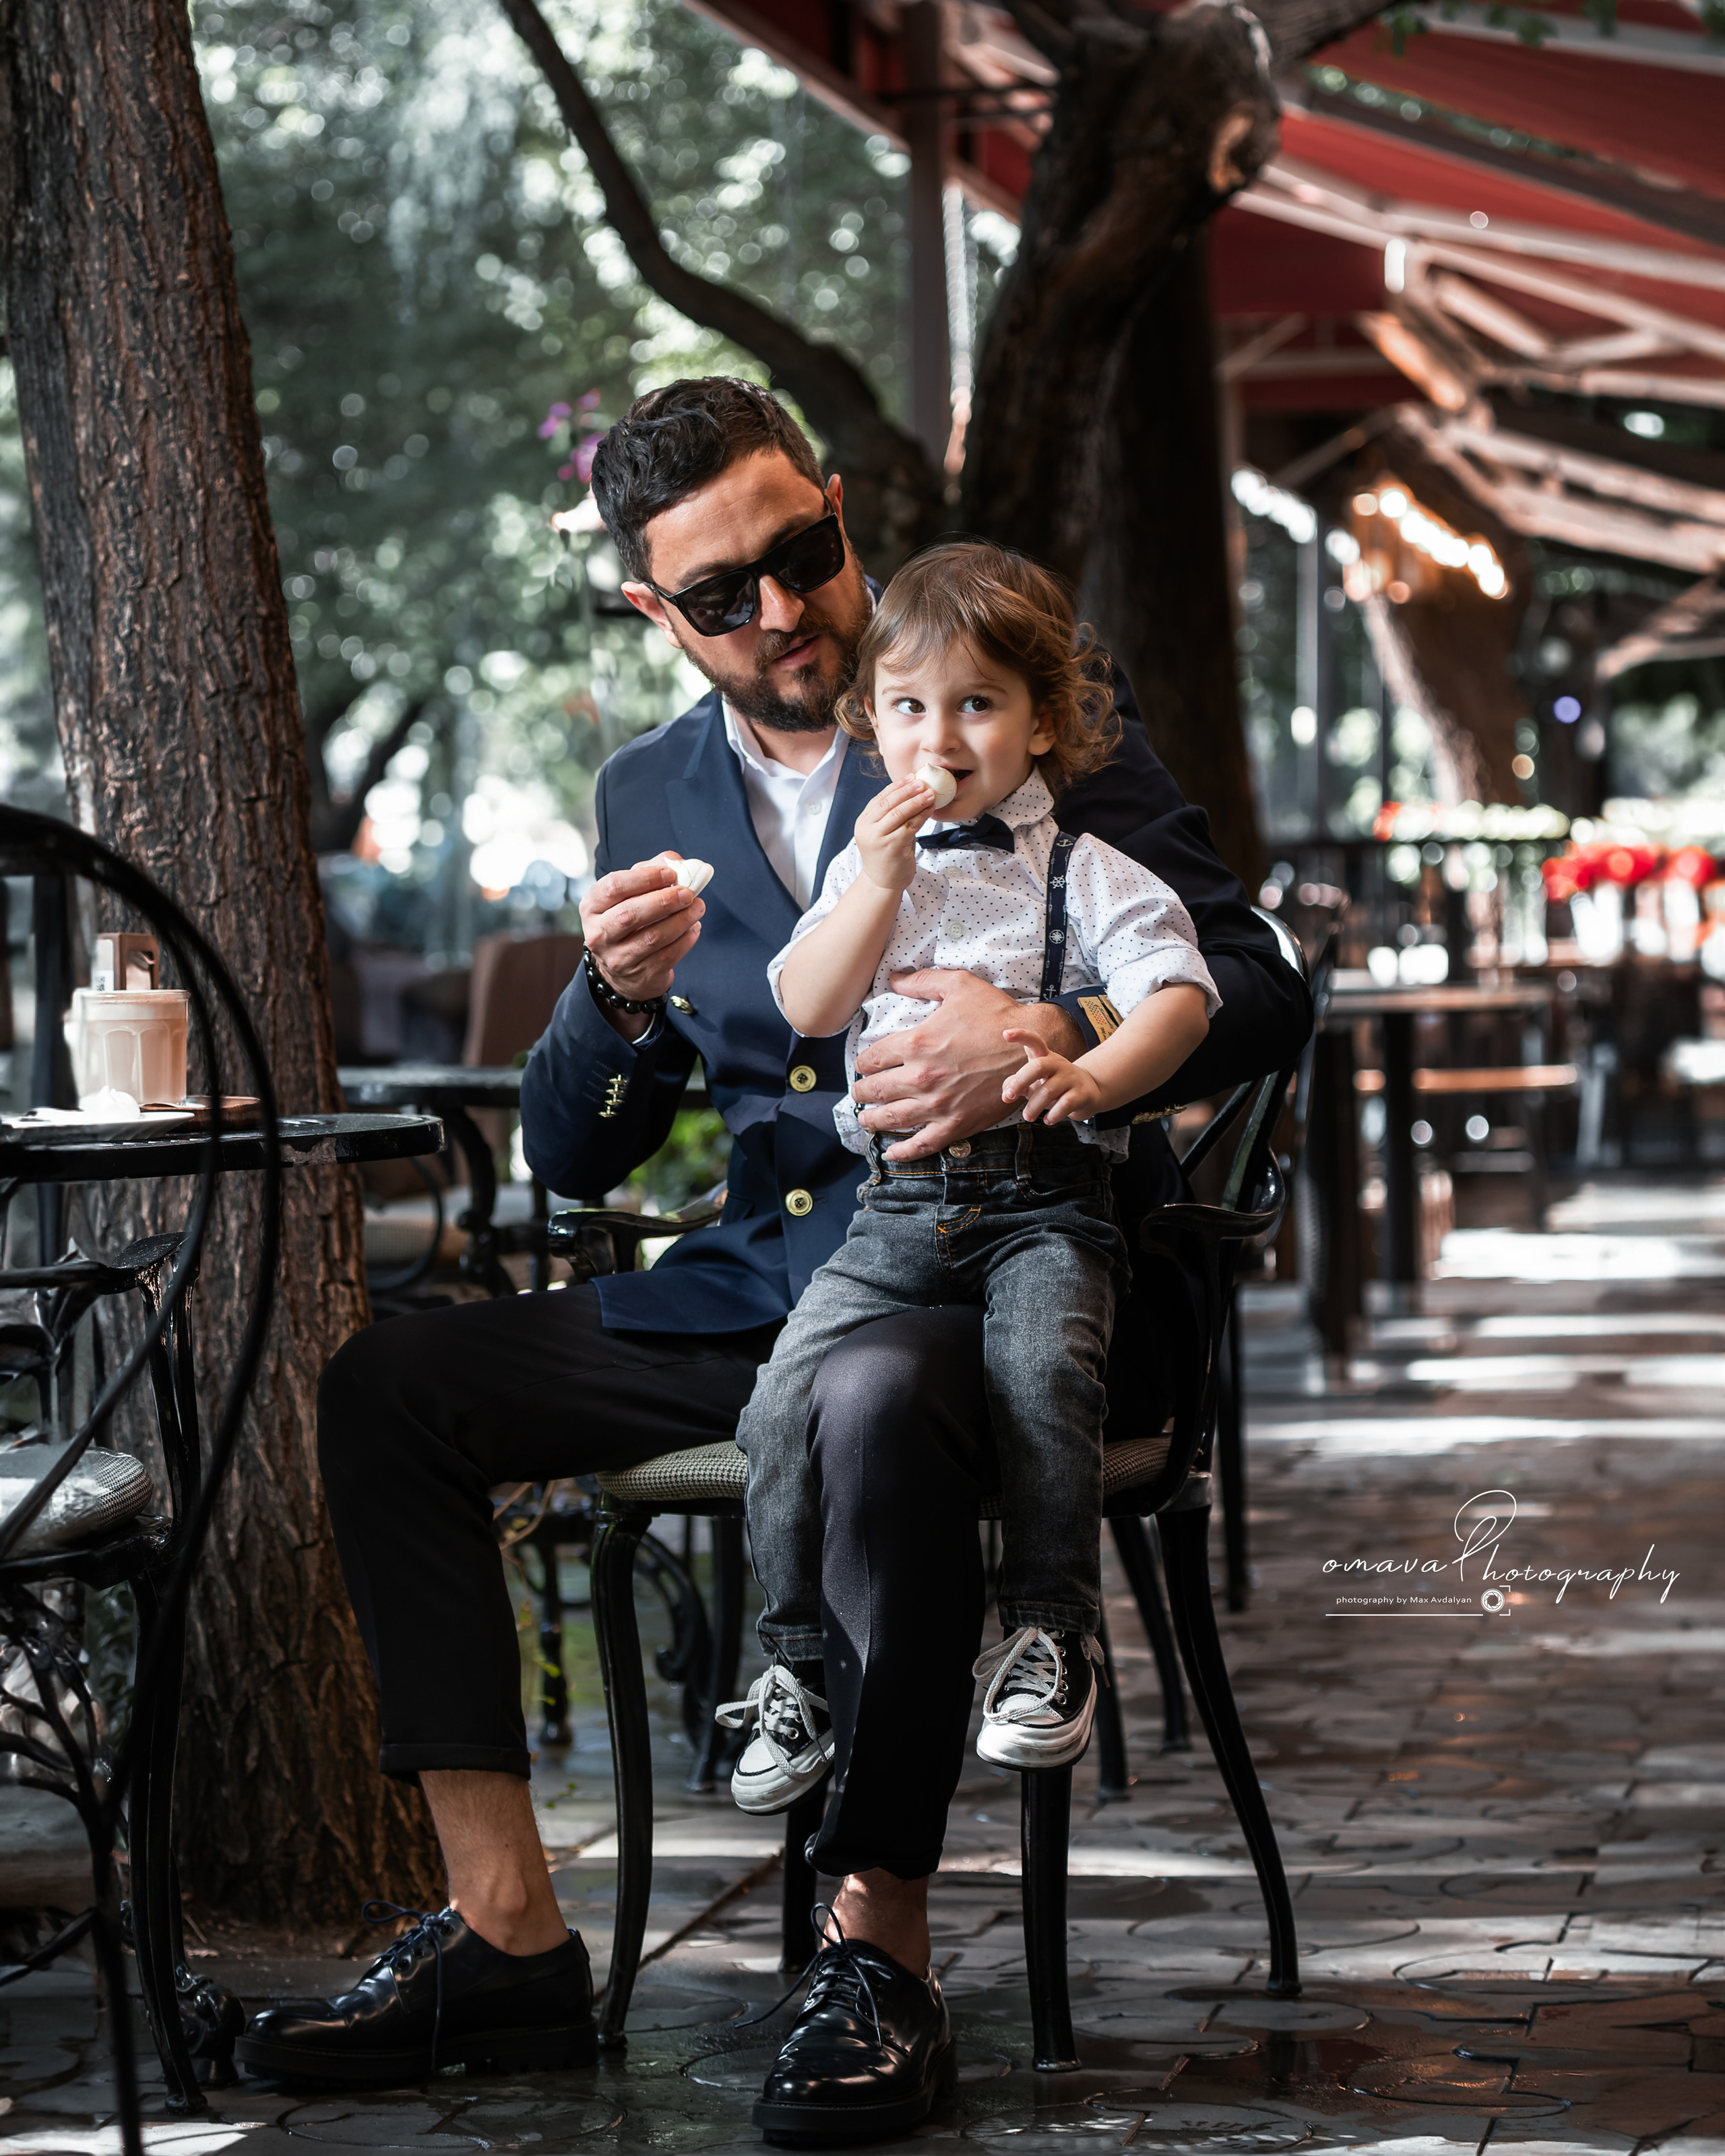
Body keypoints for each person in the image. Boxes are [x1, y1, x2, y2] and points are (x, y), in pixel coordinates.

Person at [237, 378, 1311, 2134]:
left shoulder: (1004, 693)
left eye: (799, 555)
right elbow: (576, 1151)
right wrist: (610, 1001)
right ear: (657, 614)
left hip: (1009, 1272)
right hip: (766, 1279)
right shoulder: (647, 787)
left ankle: (877, 1948)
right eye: (720, 594)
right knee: (392, 1385)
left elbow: (1261, 983)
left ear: (831, 503)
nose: (784, 610)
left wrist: (1046, 1024)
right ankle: (505, 1935)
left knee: (880, 1402)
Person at [728, 541, 1218, 1819]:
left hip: (1046, 1201)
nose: (937, 736)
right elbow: (804, 1000)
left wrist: (1097, 1073)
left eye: (976, 705)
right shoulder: (869, 874)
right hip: (895, 1207)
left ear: (1043, 721)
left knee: (1044, 1376)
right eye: (907, 708)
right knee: (782, 1401)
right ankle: (792, 1669)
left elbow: (1183, 991)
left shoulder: (1085, 869)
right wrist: (873, 882)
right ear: (873, 724)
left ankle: (1051, 1638)